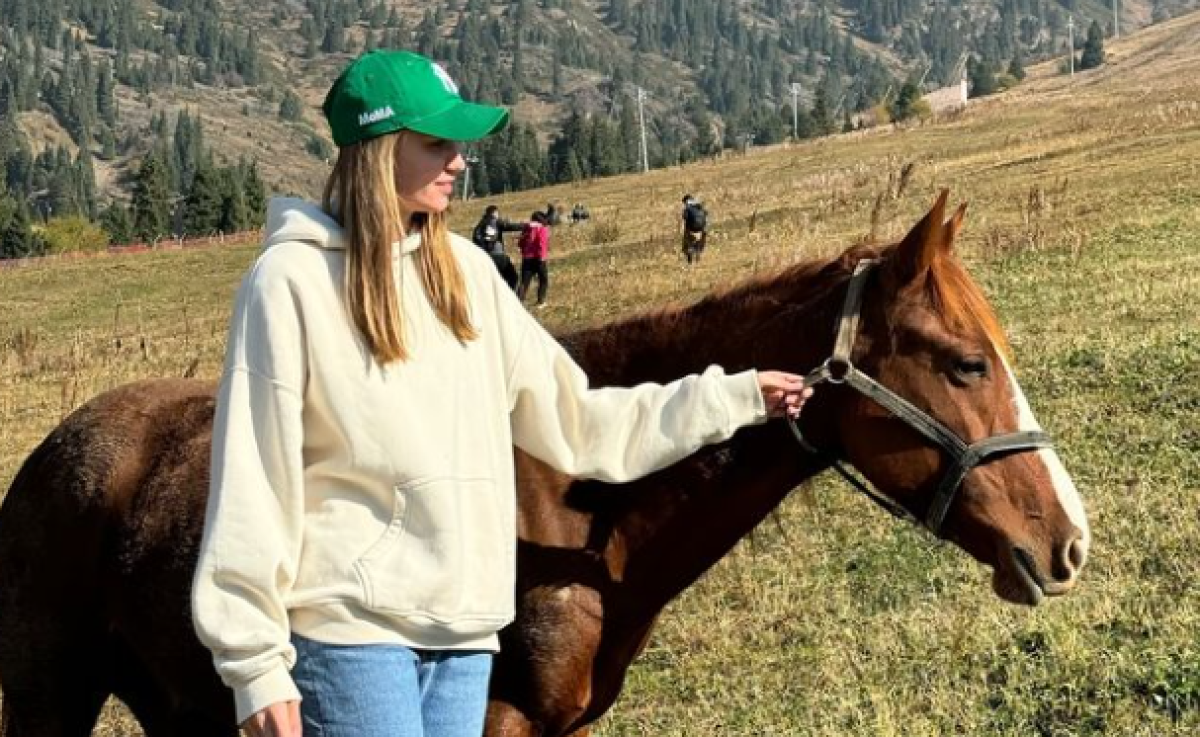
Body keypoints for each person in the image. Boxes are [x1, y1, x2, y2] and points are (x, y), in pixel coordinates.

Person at [191, 49, 813, 737]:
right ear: (375, 148)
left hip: (465, 638)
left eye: (461, 144)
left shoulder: (468, 275)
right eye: (436, 143)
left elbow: (581, 424)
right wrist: (254, 663)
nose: (459, 160)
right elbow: (254, 476)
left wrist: (733, 398)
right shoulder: (288, 283)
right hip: (349, 640)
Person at [471, 204, 523, 289]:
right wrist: (525, 226)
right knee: (513, 278)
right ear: (495, 212)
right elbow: (511, 226)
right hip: (498, 256)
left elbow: (475, 240)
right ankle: (508, 297)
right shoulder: (495, 222)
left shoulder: (479, 225)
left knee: (492, 280)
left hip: (484, 257)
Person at [516, 211, 551, 309]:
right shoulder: (542, 228)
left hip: (527, 258)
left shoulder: (527, 228)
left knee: (524, 282)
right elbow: (542, 243)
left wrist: (524, 252)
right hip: (539, 258)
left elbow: (520, 242)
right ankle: (541, 301)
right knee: (543, 280)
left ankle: (519, 302)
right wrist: (542, 256)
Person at [681, 194, 708, 265]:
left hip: (691, 230)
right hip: (702, 231)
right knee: (698, 246)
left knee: (687, 247)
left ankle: (689, 263)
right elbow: (706, 216)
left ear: (685, 201)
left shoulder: (687, 208)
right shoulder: (700, 206)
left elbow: (684, 219)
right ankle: (697, 261)